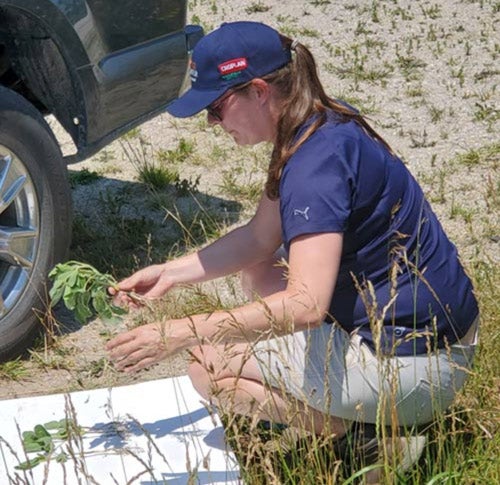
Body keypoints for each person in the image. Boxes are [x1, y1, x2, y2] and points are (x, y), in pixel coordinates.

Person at [106, 20, 479, 472]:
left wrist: (179, 332)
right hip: (434, 340)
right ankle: (361, 413)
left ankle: (375, 436)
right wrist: (168, 274)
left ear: (259, 91)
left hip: (421, 366)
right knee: (261, 268)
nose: (211, 122)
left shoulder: (313, 168)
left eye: (217, 107)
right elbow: (259, 239)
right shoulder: (316, 120)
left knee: (208, 368)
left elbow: (305, 305)